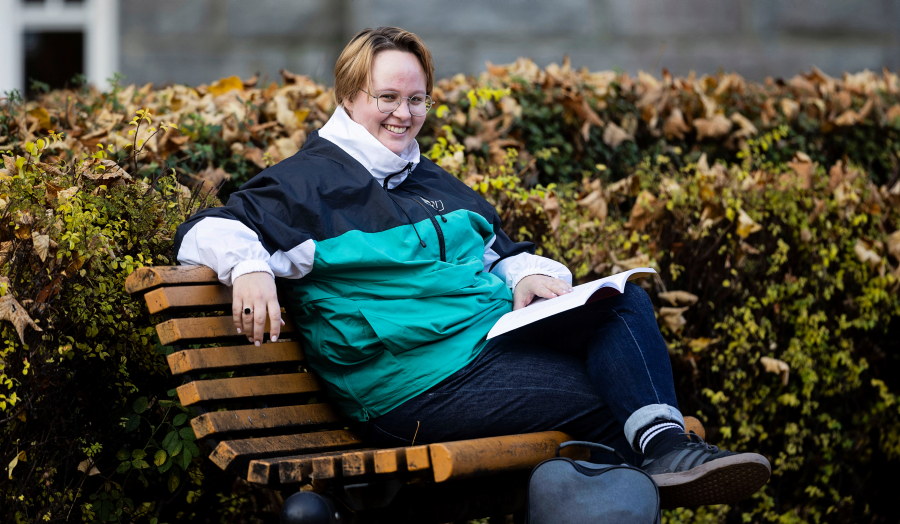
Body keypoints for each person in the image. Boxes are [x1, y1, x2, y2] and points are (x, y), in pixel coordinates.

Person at [174, 26, 770, 508]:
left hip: (485, 347)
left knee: (623, 304)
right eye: (387, 98)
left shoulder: (430, 178)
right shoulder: (307, 183)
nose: (404, 115)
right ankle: (655, 456)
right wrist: (250, 268)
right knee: (614, 401)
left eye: (416, 99)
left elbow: (501, 252)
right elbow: (207, 229)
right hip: (409, 388)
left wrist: (524, 275)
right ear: (349, 97)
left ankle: (662, 449)